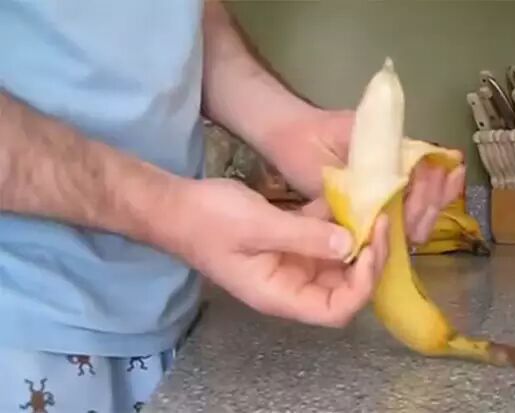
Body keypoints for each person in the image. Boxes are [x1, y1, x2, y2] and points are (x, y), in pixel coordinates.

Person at [0, 1, 465, 412]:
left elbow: (177, 17)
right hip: (24, 340)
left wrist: (282, 121)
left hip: (175, 324)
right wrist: (168, 211)